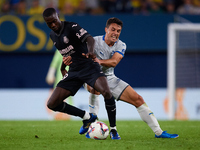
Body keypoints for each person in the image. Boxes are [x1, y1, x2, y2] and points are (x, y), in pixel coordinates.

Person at [63, 17, 179, 139]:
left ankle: (159, 132)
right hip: (91, 76)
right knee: (95, 88)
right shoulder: (94, 41)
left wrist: (99, 61)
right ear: (106, 29)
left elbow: (114, 62)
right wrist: (66, 63)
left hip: (109, 78)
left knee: (138, 99)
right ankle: (92, 123)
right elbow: (74, 52)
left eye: (118, 31)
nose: (116, 33)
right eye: (113, 29)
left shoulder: (121, 45)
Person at [42, 7, 120, 139]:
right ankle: (87, 117)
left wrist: (90, 51)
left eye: (54, 21)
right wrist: (62, 67)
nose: (53, 25)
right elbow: (65, 53)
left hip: (89, 67)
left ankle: (113, 129)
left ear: (58, 17)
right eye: (49, 23)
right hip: (73, 70)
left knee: (106, 92)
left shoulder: (72, 27)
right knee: (52, 104)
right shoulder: (52, 35)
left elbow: (90, 39)